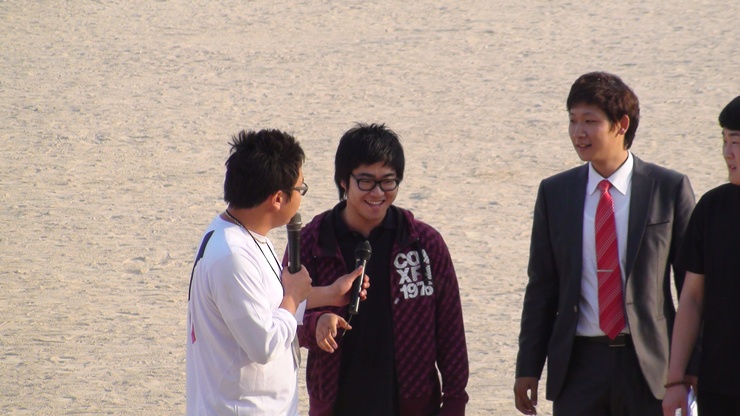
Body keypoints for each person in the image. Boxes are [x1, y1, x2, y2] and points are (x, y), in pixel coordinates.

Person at [513, 72, 696, 416]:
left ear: (621, 125)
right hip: (578, 366)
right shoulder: (555, 193)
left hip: (650, 366)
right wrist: (528, 367)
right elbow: (542, 286)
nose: (578, 132)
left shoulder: (668, 188)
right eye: (572, 120)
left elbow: (692, 288)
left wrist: (690, 369)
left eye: (590, 121)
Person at [186, 129, 368, 415]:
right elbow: (264, 344)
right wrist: (293, 298)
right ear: (278, 199)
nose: (302, 196)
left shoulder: (246, 236)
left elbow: (270, 304)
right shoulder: (232, 256)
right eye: (300, 188)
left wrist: (332, 294)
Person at [294, 123, 469, 416]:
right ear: (343, 181)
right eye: (366, 181)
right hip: (337, 404)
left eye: (388, 182)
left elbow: (450, 331)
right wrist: (316, 324)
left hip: (414, 406)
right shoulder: (312, 241)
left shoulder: (425, 244)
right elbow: (282, 313)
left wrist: (454, 402)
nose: (377, 192)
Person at [662, 95, 740, 416]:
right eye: (724, 140)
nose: (727, 153)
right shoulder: (712, 208)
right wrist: (675, 379)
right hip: (720, 385)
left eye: (736, 142)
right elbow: (692, 297)